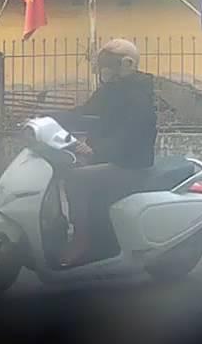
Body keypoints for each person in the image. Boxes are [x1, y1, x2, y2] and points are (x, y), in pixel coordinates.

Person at [60, 38, 158, 267]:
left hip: (130, 166)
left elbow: (132, 136)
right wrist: (47, 118)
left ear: (127, 64)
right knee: (67, 165)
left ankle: (83, 242)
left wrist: (95, 149)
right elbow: (85, 113)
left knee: (76, 179)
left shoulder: (139, 95)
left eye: (108, 65)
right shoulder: (111, 90)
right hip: (108, 159)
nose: (103, 70)